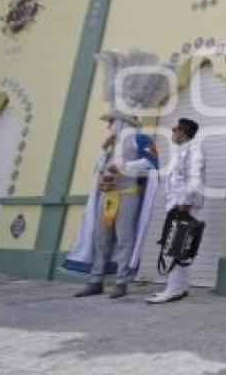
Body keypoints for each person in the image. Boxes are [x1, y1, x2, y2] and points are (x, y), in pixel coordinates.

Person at [64, 50, 170, 298]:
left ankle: (121, 281)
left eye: (111, 120)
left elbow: (152, 165)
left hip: (128, 194)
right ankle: (96, 279)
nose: (108, 124)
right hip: (106, 194)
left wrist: (124, 167)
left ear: (123, 121)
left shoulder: (141, 138)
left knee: (124, 238)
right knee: (100, 238)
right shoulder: (109, 144)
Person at [145, 117, 206, 304]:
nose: (172, 132)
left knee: (178, 245)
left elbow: (194, 177)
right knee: (180, 245)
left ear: (183, 131)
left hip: (184, 205)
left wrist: (185, 202)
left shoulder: (194, 149)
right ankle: (180, 287)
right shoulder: (183, 150)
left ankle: (172, 289)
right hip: (177, 204)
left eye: (175, 129)